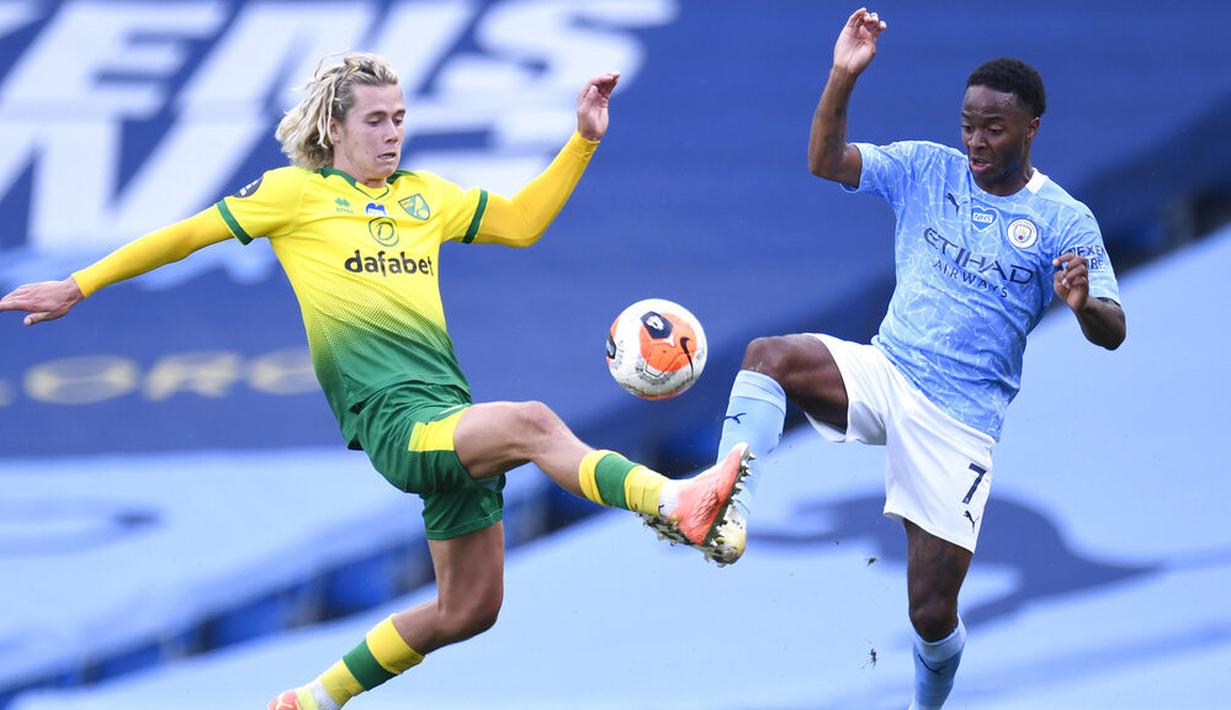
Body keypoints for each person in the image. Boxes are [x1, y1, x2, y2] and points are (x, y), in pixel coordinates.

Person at [0, 53, 750, 710]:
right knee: (530, 420)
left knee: (468, 611)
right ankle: (672, 499)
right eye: (376, 120)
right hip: (395, 425)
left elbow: (522, 224)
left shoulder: (424, 196)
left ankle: (313, 698)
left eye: (400, 117)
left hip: (445, 417)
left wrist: (582, 141)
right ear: (333, 127)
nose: (393, 132)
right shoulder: (294, 197)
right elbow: (182, 236)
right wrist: (80, 284)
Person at [713, 8, 1126, 709]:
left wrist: (1083, 302)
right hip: (886, 370)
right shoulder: (925, 169)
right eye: (967, 124)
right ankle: (720, 502)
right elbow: (823, 161)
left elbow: (1112, 330)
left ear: (1030, 128)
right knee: (767, 356)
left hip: (956, 422)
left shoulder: (1063, 220)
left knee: (929, 613)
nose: (974, 140)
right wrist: (842, 75)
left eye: (992, 128)